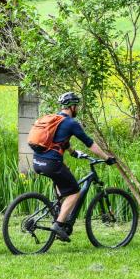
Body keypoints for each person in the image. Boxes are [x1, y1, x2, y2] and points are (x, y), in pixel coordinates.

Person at [32, 92, 115, 242]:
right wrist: (106, 158)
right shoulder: (71, 123)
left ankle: (58, 211)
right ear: (72, 106)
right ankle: (58, 225)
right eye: (77, 106)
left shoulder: (55, 120)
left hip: (37, 162)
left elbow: (60, 141)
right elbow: (90, 143)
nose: (78, 108)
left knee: (64, 177)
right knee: (75, 192)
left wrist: (72, 152)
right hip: (52, 164)